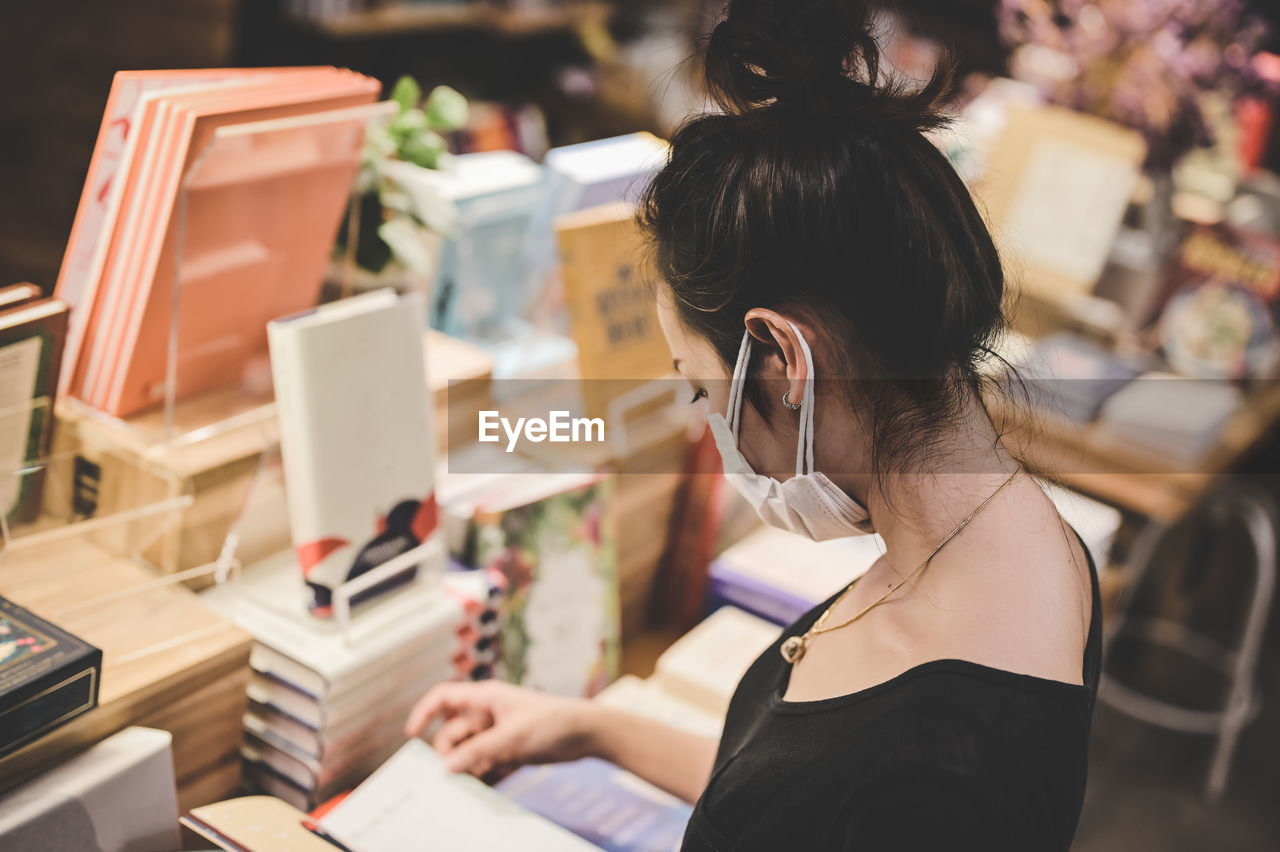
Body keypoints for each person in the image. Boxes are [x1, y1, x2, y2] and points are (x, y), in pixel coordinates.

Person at [407, 1, 1099, 848]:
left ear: (782, 359)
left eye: (704, 392)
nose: (712, 430)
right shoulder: (1024, 545)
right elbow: (796, 802)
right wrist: (589, 730)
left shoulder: (932, 778)